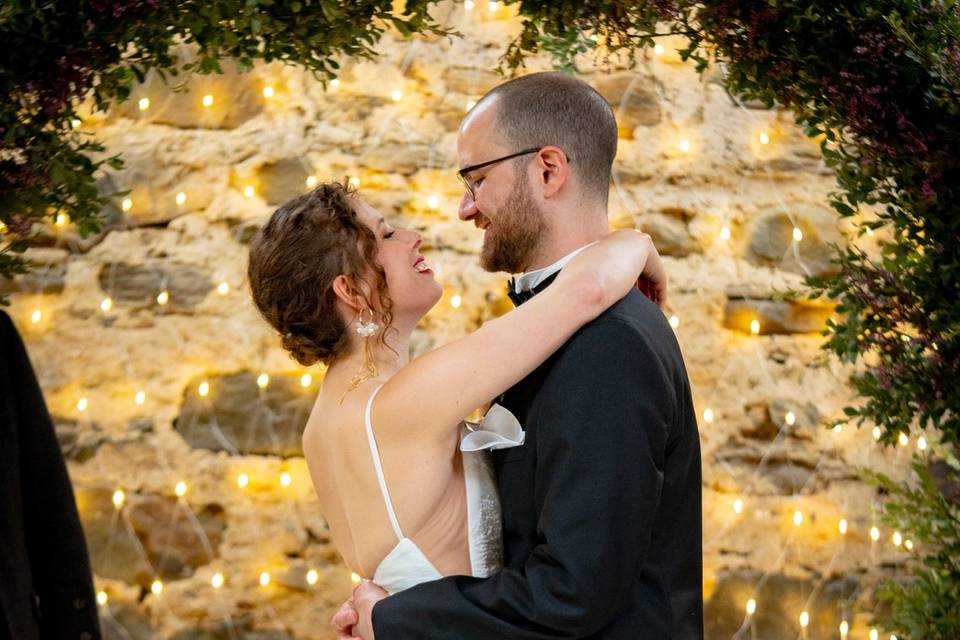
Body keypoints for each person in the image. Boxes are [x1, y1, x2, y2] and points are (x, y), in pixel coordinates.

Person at [336, 71, 704, 639]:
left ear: (548, 170)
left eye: (476, 178)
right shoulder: (556, 328)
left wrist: (394, 619)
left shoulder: (611, 345)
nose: (465, 208)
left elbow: (572, 593)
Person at [246, 182, 666, 596]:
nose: (414, 238)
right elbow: (588, 289)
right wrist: (639, 242)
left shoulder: (320, 428)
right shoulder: (405, 401)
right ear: (351, 291)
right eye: (387, 235)